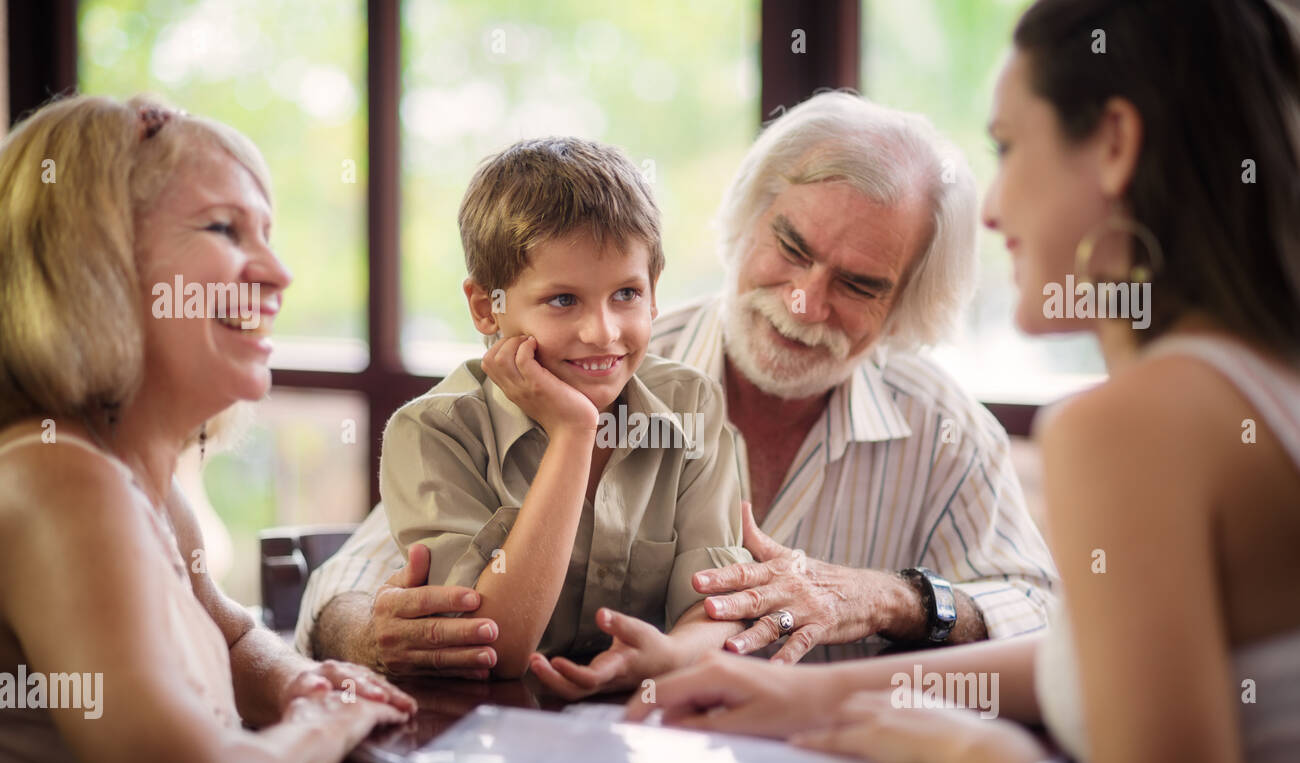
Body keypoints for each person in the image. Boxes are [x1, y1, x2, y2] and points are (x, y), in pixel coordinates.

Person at [630, 0, 1300, 763]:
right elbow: (1077, 659)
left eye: (1008, 147)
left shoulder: (1132, 427)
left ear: (1114, 145)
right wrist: (806, 697)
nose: (992, 210)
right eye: (792, 247)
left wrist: (980, 761)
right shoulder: (1260, 386)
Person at [296, 92, 1058, 681]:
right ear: (747, 218)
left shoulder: (941, 427)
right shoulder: (586, 359)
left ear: (908, 302)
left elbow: (1046, 617)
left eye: (858, 283)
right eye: (790, 247)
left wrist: (889, 599)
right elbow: (354, 582)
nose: (803, 302)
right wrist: (370, 630)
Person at [0, 95, 414, 763]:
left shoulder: (145, 487)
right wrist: (325, 727)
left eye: (269, 233)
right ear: (97, 265)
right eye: (224, 229)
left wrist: (301, 684)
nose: (279, 273)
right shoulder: (58, 480)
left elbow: (228, 637)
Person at [379, 136, 750, 693]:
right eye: (562, 301)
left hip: (650, 724)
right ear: (488, 308)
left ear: (654, 296)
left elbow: (717, 609)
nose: (602, 332)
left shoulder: (690, 406)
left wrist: (668, 657)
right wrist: (573, 432)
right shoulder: (433, 434)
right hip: (481, 734)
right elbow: (494, 645)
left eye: (626, 293)